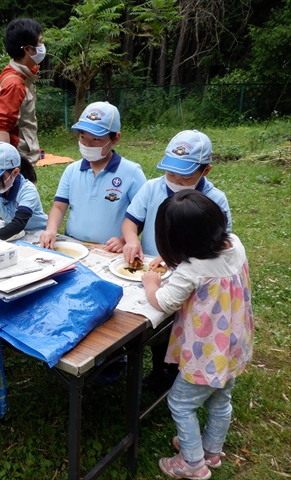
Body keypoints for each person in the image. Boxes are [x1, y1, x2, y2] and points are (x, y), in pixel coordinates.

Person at [141, 190, 253, 480]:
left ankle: (192, 463)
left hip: (205, 352)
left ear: (179, 241)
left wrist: (151, 283)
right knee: (220, 399)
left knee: (180, 403)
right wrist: (174, 264)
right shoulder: (235, 245)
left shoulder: (193, 269)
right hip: (232, 344)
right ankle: (211, 452)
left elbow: (164, 301)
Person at [122, 129, 233, 392]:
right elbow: (130, 222)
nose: (175, 181)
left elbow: (218, 243)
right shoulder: (151, 188)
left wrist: (174, 256)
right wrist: (131, 240)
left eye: (185, 177)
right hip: (153, 270)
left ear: (205, 171)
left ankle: (181, 372)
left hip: (193, 275)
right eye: (170, 174)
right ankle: (160, 367)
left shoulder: (214, 200)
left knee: (185, 324)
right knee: (157, 322)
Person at [39, 101, 146, 251]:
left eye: (96, 140)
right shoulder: (72, 170)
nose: (87, 145)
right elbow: (58, 207)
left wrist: (123, 240)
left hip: (108, 250)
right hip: (72, 245)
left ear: (115, 139)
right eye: (83, 137)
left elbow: (141, 215)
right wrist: (51, 230)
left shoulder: (131, 172)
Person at [0, 18, 44, 166]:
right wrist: (6, 168)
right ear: (27, 49)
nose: (42, 46)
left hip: (22, 158)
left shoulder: (20, 75)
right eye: (39, 42)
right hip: (19, 162)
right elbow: (2, 127)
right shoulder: (15, 84)